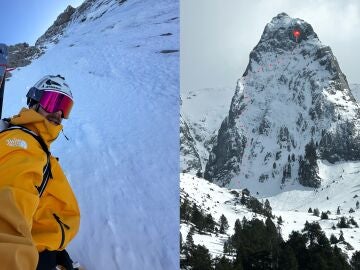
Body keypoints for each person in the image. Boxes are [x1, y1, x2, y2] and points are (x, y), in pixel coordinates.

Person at [0, 75, 80, 270]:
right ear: (34, 101)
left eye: (65, 107)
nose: (59, 113)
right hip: (31, 255)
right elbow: (8, 211)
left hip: (45, 245)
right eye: (53, 102)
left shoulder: (35, 143)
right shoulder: (22, 143)